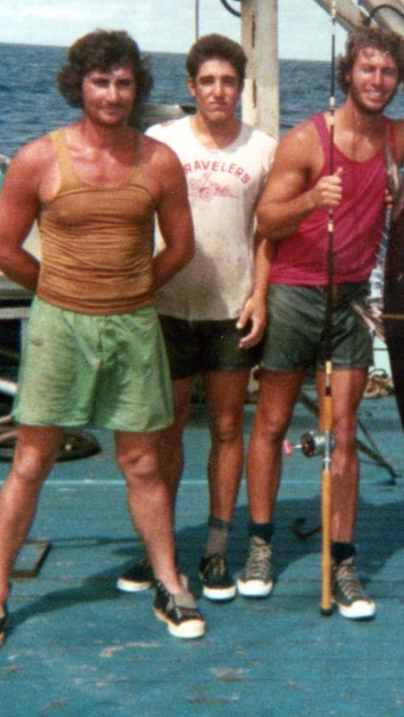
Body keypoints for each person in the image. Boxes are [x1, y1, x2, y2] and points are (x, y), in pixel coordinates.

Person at [236, 25, 404, 621]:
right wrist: (311, 200)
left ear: (397, 80)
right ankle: (260, 545)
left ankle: (344, 561)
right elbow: (267, 222)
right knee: (272, 424)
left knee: (344, 435)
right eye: (367, 69)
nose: (377, 81)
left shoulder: (400, 137)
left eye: (387, 72)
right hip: (295, 294)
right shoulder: (306, 141)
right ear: (347, 74)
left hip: (351, 299)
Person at [0, 30, 202, 653]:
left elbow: (180, 248)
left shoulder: (160, 162)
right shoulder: (37, 159)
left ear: (137, 89)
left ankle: (170, 582)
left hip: (133, 328)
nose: (112, 94)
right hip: (59, 328)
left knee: (143, 463)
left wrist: (130, 289)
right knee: (31, 461)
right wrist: (61, 290)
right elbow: (1, 249)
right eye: (101, 82)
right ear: (79, 86)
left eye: (124, 83)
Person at [115, 34, 276, 602]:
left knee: (228, 428)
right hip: (166, 308)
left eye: (228, 81)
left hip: (231, 309)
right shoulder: (162, 141)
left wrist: (260, 295)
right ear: (191, 86)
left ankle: (215, 547)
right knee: (168, 429)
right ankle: (159, 548)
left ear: (242, 88)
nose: (218, 91)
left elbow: (268, 233)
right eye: (207, 81)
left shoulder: (263, 148)